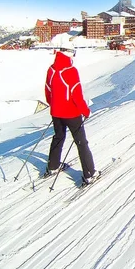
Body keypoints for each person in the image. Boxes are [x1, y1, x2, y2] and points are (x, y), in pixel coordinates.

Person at [44, 48, 99, 185]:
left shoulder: (51, 69)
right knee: (81, 142)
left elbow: (48, 90)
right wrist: (86, 111)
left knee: (58, 137)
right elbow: (76, 95)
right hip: (71, 113)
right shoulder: (70, 71)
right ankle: (89, 174)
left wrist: (55, 105)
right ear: (69, 54)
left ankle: (53, 166)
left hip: (56, 112)